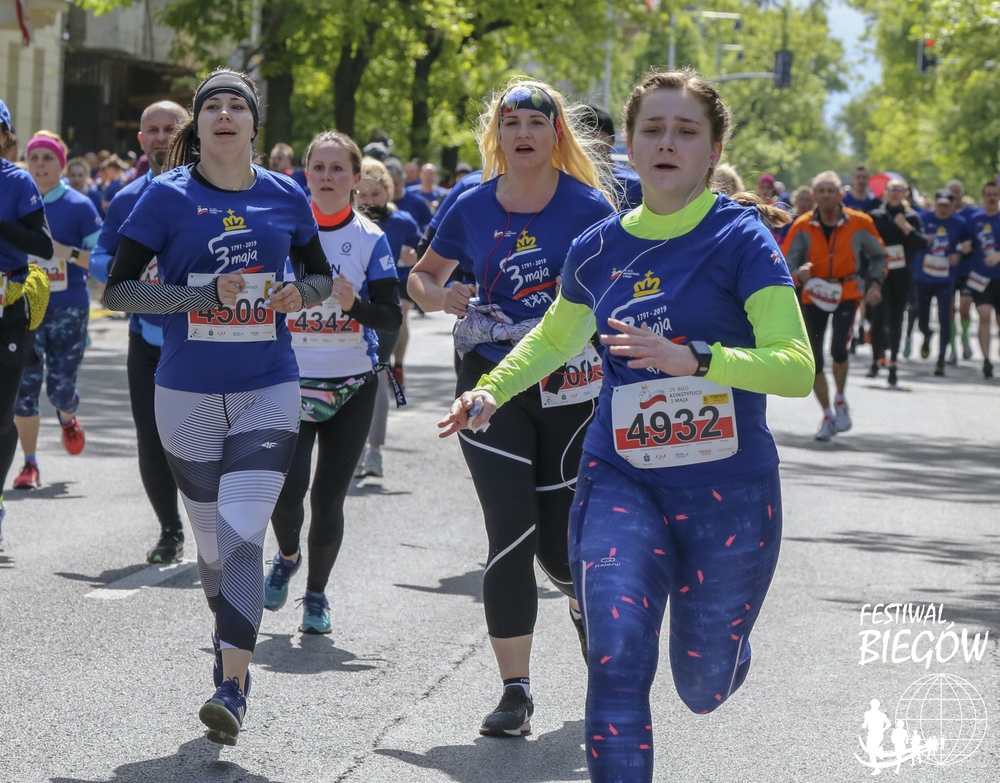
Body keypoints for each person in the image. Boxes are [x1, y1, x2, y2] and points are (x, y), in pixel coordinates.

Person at [438, 68, 813, 782]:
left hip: (729, 489)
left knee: (702, 684)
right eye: (653, 130)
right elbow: (555, 337)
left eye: (686, 131)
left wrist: (696, 359)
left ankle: (725, 651)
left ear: (713, 150)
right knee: (614, 658)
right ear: (630, 148)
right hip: (622, 477)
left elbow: (796, 367)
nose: (667, 143)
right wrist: (488, 391)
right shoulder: (598, 247)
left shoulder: (741, 239)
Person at [103, 68, 333, 745]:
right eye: (214, 107)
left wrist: (300, 294)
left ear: (254, 125)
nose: (226, 114)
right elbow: (117, 291)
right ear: (198, 125)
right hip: (185, 393)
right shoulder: (165, 196)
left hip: (269, 386)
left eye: (238, 106)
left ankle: (231, 685)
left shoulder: (285, 195)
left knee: (241, 532)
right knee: (212, 543)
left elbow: (319, 275)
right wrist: (198, 298)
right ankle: (229, 640)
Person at [409, 79, 615, 737]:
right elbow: (421, 276)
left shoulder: (588, 206)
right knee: (510, 530)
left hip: (567, 385)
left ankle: (586, 618)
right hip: (487, 378)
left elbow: (617, 291)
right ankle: (514, 691)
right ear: (496, 135)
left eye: (535, 122)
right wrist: (438, 297)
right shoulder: (471, 203)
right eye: (511, 122)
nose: (522, 132)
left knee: (560, 548)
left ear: (557, 135)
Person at [263, 132, 401, 635]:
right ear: (305, 175)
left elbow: (390, 316)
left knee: (328, 499)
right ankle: (287, 555)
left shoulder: (370, 238)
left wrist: (353, 305)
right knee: (286, 491)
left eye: (338, 168)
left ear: (356, 179)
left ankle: (316, 595)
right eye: (318, 168)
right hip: (289, 382)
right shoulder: (280, 232)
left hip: (351, 386)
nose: (327, 177)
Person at [89, 100, 189, 563]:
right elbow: (99, 257)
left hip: (203, 338)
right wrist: (127, 272)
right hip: (146, 338)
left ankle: (221, 526)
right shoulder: (128, 198)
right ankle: (170, 530)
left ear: (185, 132)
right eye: (153, 129)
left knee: (208, 439)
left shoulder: (208, 190)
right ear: (141, 139)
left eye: (171, 128)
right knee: (151, 439)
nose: (162, 137)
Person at [10, 132, 101, 490]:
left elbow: (103, 263)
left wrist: (68, 253)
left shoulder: (80, 206)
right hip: (24, 307)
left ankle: (67, 416)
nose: (40, 165)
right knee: (24, 389)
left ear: (61, 164)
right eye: (34, 158)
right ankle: (29, 463)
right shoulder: (16, 199)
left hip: (68, 309)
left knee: (60, 389)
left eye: (47, 158)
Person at [782, 170, 886, 441]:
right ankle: (827, 414)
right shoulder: (803, 225)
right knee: (814, 359)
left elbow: (879, 254)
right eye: (821, 191)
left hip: (846, 292)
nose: (826, 195)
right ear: (814, 195)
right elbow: (785, 262)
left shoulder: (860, 222)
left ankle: (840, 398)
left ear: (840, 194)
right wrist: (798, 273)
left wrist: (875, 284)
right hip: (813, 294)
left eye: (831, 190)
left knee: (839, 349)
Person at [0, 98, 53, 542]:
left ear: (5, 136)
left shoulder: (16, 181)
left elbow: (44, 245)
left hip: (8, 307)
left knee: (2, 415)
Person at [355, 156, 418, 477]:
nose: (368, 201)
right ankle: (352, 452)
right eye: (362, 195)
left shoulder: (403, 222)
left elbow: (424, 263)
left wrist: (412, 260)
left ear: (387, 192)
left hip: (384, 311)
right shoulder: (346, 221)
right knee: (351, 380)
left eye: (375, 194)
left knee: (378, 374)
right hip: (349, 310)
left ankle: (375, 451)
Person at [868, 178, 928, 385]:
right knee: (877, 317)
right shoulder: (876, 215)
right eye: (892, 189)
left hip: (902, 274)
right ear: (885, 192)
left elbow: (922, 243)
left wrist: (906, 228)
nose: (895, 192)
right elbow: (865, 242)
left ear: (905, 194)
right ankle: (876, 360)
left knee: (896, 318)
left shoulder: (912, 217)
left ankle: (893, 363)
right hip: (879, 273)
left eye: (899, 189)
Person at [911, 189, 971, 376]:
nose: (943, 209)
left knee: (945, 317)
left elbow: (968, 245)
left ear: (952, 206)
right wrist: (923, 240)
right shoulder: (923, 218)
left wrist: (959, 254)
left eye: (947, 205)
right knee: (922, 318)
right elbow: (912, 239)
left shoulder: (959, 223)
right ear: (935, 204)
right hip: (923, 276)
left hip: (945, 279)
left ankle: (941, 359)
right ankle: (927, 334)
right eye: (940, 205)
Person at [582, 103, 643, 209]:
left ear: (611, 140)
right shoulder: (569, 182)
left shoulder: (633, 183)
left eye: (598, 136)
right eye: (586, 138)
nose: (592, 143)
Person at [969, 181, 1000, 378]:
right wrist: (965, 248)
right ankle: (986, 360)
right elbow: (967, 243)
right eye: (988, 194)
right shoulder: (975, 220)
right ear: (983, 196)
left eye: (995, 194)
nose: (992, 198)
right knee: (985, 315)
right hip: (980, 277)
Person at [946, 179, 977, 364]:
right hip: (948, 271)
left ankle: (964, 338)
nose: (954, 196)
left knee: (964, 309)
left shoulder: (971, 214)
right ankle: (952, 349)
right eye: (951, 192)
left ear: (962, 194)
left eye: (957, 192)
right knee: (950, 310)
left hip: (967, 269)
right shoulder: (942, 213)